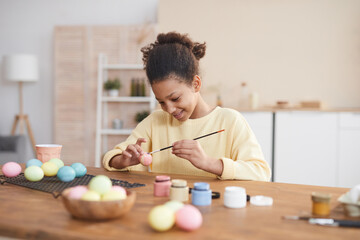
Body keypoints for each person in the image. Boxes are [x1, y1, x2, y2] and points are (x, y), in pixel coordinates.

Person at [103, 32, 271, 181]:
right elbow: (111, 157)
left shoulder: (229, 121)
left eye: (175, 98)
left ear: (196, 84)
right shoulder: (156, 121)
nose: (169, 109)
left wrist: (209, 163)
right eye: (161, 102)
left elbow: (261, 172)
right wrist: (122, 160)